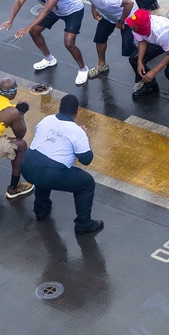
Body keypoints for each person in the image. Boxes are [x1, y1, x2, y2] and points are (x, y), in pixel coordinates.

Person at [20, 94, 103, 234]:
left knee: (43, 169)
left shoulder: (46, 120)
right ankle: (83, 224)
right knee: (87, 183)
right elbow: (86, 159)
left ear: (59, 107)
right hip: (49, 173)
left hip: (27, 166)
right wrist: (86, 138)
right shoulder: (77, 132)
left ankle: (41, 209)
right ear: (77, 111)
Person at [1, 0, 89, 85]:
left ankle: (83, 68)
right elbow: (20, 0)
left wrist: (27, 28)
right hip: (55, 10)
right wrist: (10, 19)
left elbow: (46, 10)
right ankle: (49, 59)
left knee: (69, 43)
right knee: (34, 31)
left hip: (72, 10)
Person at [125, 9, 169, 110]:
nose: (131, 27)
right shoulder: (136, 27)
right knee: (134, 58)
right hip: (160, 42)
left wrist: (154, 71)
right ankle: (150, 86)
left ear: (142, 27)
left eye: (133, 26)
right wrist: (140, 61)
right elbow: (142, 41)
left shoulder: (161, 31)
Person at [77, 0, 136, 80]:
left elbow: (129, 4)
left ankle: (142, 67)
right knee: (100, 38)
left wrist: (121, 21)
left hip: (128, 16)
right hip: (109, 16)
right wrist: (94, 9)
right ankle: (102, 65)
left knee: (128, 48)